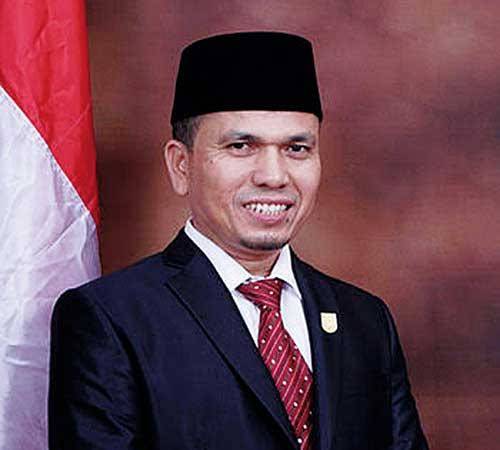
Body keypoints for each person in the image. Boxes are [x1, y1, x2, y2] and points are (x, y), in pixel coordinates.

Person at [49, 32, 429, 450]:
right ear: (181, 165)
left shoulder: (365, 320)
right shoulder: (112, 319)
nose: (274, 176)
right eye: (241, 146)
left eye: (297, 148)